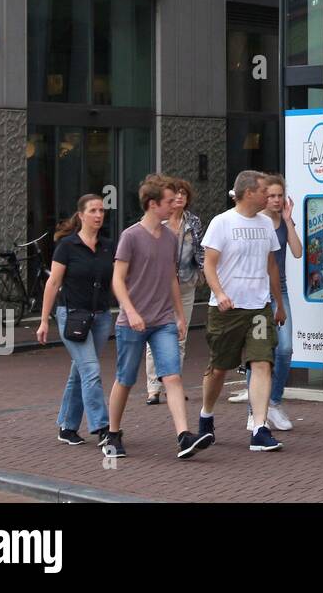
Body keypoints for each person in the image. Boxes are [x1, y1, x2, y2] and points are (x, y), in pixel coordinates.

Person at [102, 178, 211, 460]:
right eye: (168, 201)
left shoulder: (170, 238)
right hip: (133, 322)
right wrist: (131, 311)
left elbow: (172, 278)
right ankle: (113, 433)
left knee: (172, 376)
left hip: (162, 320)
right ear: (153, 204)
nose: (174, 204)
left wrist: (178, 315)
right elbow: (117, 280)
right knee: (125, 379)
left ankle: (184, 435)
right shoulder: (131, 236)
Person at [196, 170, 287, 452]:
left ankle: (259, 428)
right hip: (227, 309)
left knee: (262, 362)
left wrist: (278, 303)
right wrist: (220, 294)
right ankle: (206, 415)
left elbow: (271, 265)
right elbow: (209, 264)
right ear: (249, 193)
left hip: (258, 308)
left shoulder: (265, 224)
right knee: (220, 368)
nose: (269, 196)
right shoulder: (221, 223)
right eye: (264, 191)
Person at [37, 194, 116, 447]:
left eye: (101, 210)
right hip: (72, 317)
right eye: (93, 210)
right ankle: (103, 427)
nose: (98, 215)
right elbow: (53, 282)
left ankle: (67, 427)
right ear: (81, 215)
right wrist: (43, 321)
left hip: (102, 317)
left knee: (80, 372)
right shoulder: (67, 247)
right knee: (91, 370)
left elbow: (116, 282)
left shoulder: (108, 247)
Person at [229, 175, 301, 433]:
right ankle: (253, 411)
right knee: (258, 353)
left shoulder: (282, 222)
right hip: (255, 292)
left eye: (280, 195)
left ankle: (273, 402)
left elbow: (297, 251)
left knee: (285, 349)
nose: (276, 200)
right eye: (270, 195)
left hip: (278, 291)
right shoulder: (254, 222)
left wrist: (290, 220)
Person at [145, 178, 205, 406]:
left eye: (184, 194)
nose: (179, 198)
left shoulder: (193, 222)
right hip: (158, 286)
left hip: (186, 285)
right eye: (176, 194)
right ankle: (154, 388)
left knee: (180, 336)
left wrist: (203, 273)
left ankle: (174, 385)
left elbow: (200, 251)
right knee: (154, 336)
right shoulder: (158, 222)